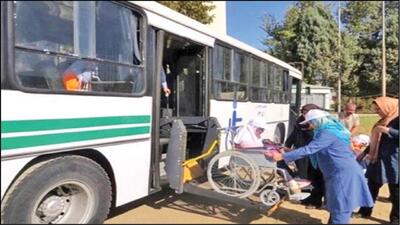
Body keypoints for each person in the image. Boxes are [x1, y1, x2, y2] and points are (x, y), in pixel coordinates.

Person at [268, 109, 373, 224]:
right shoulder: (332, 130)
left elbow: (309, 149)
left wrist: (282, 156)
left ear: (319, 120)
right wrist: (289, 151)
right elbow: (315, 149)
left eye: (312, 122)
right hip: (339, 171)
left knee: (341, 205)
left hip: (342, 173)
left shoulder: (326, 133)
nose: (311, 125)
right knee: (336, 203)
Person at [233, 117, 311, 194]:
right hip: (252, 156)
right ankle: (292, 181)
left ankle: (292, 179)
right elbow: (254, 147)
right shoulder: (246, 137)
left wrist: (268, 144)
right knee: (278, 161)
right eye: (260, 129)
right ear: (254, 127)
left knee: (279, 159)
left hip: (256, 154)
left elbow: (258, 144)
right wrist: (269, 149)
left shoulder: (250, 134)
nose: (262, 131)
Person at [354, 97, 398, 224]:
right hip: (377, 159)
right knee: (371, 187)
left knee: (395, 192)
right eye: (376, 108)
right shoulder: (382, 121)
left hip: (393, 161)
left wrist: (388, 130)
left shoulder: (396, 120)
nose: (377, 111)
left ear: (388, 107)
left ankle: (396, 219)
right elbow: (375, 140)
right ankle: (365, 211)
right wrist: (365, 152)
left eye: (379, 108)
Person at [285, 104, 326, 210]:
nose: (304, 115)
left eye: (306, 113)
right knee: (304, 176)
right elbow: (294, 135)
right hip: (301, 154)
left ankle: (316, 201)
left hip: (313, 155)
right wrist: (287, 145)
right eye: (303, 112)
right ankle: (306, 197)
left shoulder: (318, 125)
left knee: (316, 178)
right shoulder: (299, 122)